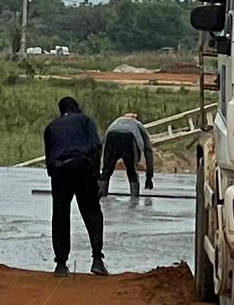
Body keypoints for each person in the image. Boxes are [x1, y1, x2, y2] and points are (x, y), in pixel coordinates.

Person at [43, 96, 106, 275]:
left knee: (60, 215)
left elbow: (48, 159)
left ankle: (61, 265)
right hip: (81, 167)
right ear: (76, 108)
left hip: (59, 171)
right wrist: (97, 177)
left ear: (61, 111)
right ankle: (97, 260)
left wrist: (55, 176)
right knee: (92, 212)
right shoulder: (85, 120)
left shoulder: (51, 127)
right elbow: (95, 147)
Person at [102, 112, 155, 198]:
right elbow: (148, 150)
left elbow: (104, 148)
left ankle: (101, 195)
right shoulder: (138, 124)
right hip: (128, 140)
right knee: (132, 172)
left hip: (112, 136)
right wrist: (149, 176)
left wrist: (102, 168)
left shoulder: (114, 123)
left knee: (106, 172)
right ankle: (134, 199)